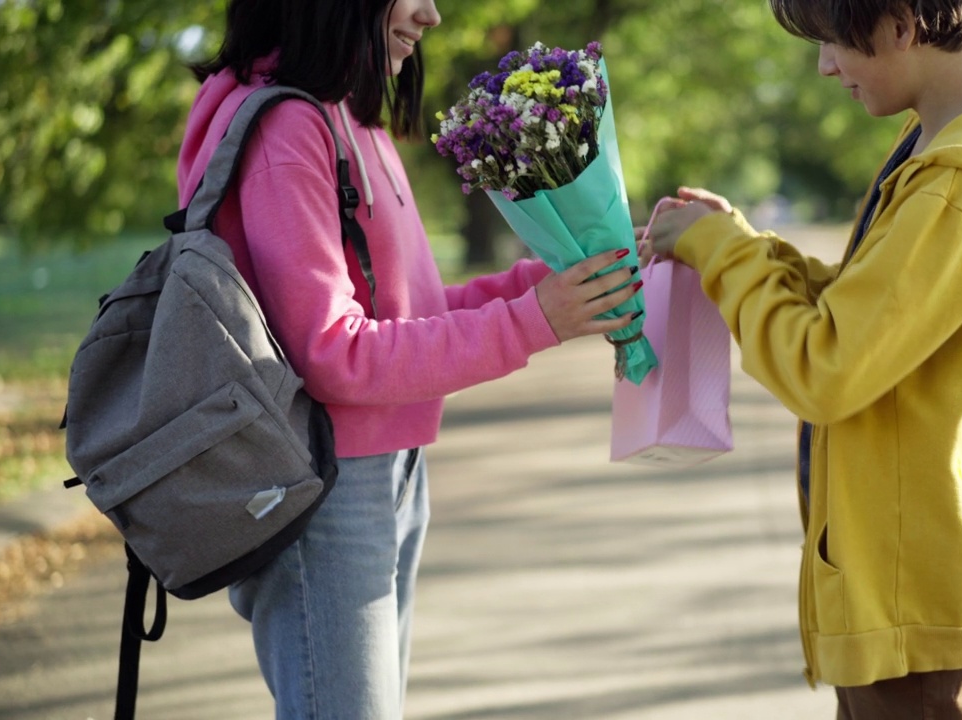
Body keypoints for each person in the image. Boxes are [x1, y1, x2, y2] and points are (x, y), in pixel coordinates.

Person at [177, 0, 641, 716]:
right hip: (323, 487)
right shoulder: (286, 128)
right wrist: (531, 323)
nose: (431, 13)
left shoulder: (344, 118)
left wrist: (556, 284)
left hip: (385, 470)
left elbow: (408, 315)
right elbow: (333, 353)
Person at [643, 0, 962, 717]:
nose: (826, 66)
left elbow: (825, 367)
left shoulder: (960, 188)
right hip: (907, 579)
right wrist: (748, 247)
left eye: (834, 42)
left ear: (899, 23)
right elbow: (874, 311)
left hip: (908, 599)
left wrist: (723, 254)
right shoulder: (949, 145)